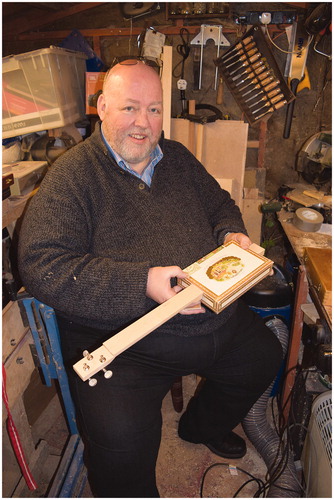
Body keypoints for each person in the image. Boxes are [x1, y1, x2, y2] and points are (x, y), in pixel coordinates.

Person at [18, 59, 283, 498]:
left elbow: (219, 204)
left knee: (263, 357)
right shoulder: (71, 177)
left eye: (155, 110)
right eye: (130, 108)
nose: (144, 123)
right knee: (120, 451)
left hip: (211, 316)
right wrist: (141, 282)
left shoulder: (176, 156)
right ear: (101, 107)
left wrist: (229, 232)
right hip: (123, 344)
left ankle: (199, 426)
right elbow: (43, 265)